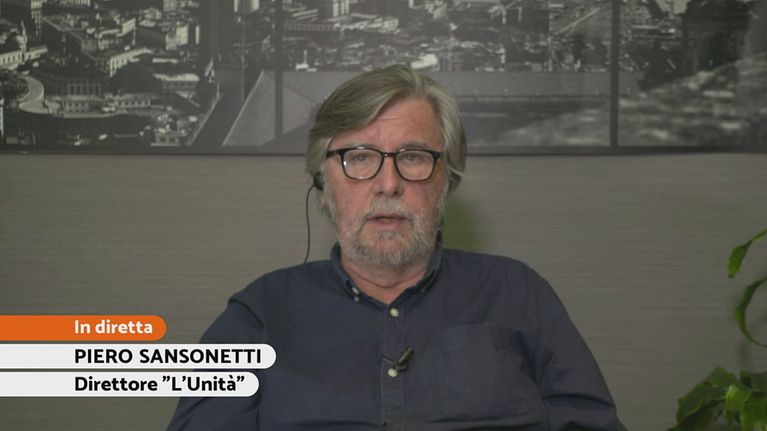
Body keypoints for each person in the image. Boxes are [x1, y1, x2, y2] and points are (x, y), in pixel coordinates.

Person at [167, 65, 622, 430]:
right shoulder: (258, 315)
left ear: (447, 182)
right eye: (360, 157)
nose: (388, 184)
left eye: (413, 157)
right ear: (323, 185)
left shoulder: (521, 294)